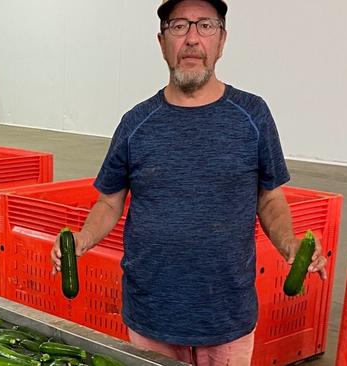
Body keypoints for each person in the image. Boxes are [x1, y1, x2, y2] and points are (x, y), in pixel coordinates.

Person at [50, 0, 328, 365]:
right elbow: (109, 201)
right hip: (152, 312)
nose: (192, 39)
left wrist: (290, 242)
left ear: (222, 40)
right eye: (179, 26)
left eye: (206, 26)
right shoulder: (136, 123)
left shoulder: (253, 115)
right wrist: (82, 239)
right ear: (162, 42)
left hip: (226, 315)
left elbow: (270, 198)